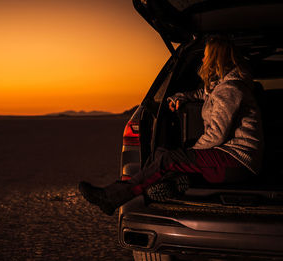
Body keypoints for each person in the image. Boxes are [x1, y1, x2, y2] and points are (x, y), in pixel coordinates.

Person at [78, 35, 264, 216]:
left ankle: (112, 197)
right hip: (228, 158)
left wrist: (190, 154)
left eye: (206, 54)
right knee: (161, 154)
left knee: (170, 159)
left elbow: (217, 135)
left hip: (237, 161)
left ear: (216, 58)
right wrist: (181, 96)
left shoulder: (231, 89)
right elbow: (204, 94)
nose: (203, 58)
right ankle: (163, 185)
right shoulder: (222, 87)